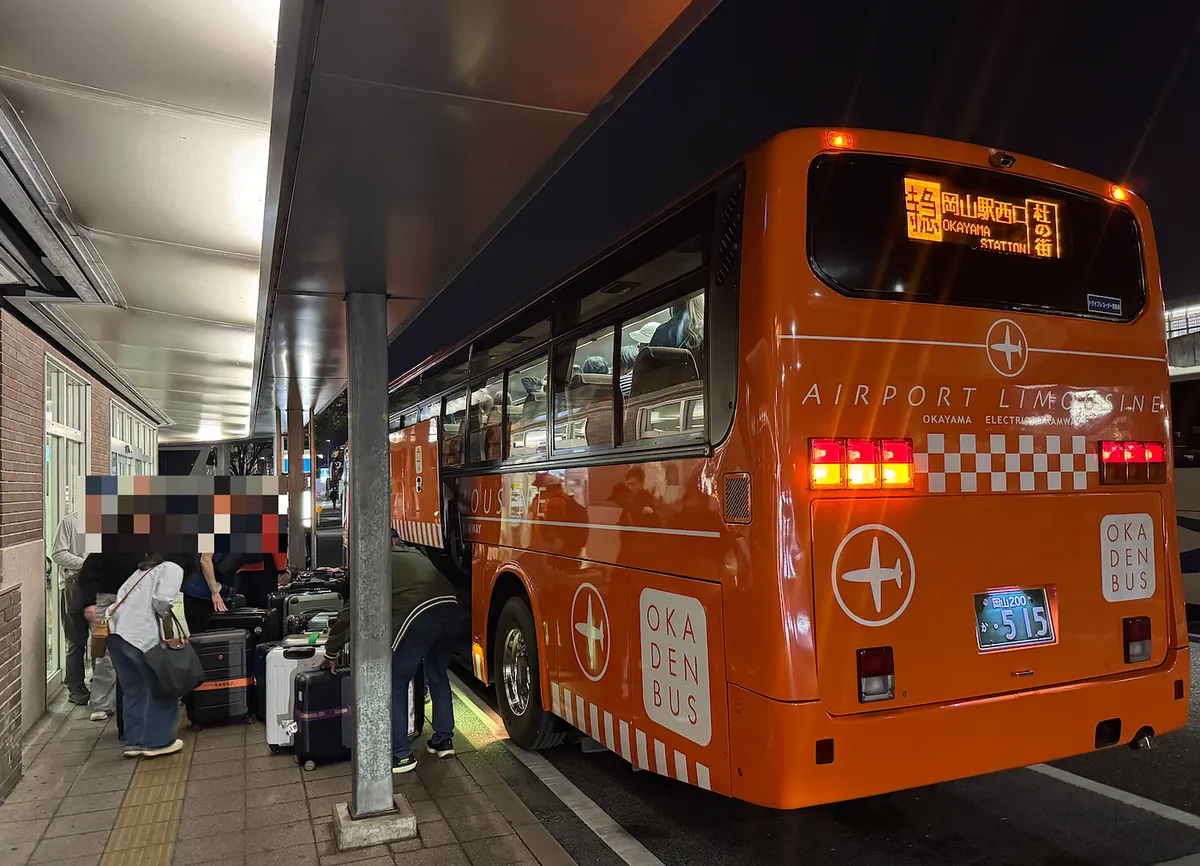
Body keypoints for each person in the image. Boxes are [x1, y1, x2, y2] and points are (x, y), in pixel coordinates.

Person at [320, 542, 461, 774]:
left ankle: (401, 755)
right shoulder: (413, 554)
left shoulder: (374, 563)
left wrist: (331, 651)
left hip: (419, 615)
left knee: (395, 682)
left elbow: (351, 611)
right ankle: (443, 741)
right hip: (451, 610)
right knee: (437, 675)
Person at [86, 553, 186, 759]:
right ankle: (157, 742)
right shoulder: (172, 568)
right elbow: (162, 602)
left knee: (133, 690)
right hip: (140, 637)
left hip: (116, 635)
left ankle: (134, 742)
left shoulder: (142, 570)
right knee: (161, 687)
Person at [77, 551, 142, 722]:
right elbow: (87, 574)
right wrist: (88, 603)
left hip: (133, 600)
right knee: (103, 653)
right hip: (106, 600)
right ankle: (102, 703)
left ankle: (132, 700)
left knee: (133, 651)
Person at [51, 511, 90, 706]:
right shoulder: (70, 522)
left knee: (102, 638)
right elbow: (58, 553)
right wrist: (86, 564)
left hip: (98, 584)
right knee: (76, 639)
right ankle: (75, 687)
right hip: (74, 586)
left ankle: (100, 683)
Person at [180, 553, 226, 633]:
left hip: (204, 590)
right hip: (201, 592)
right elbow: (205, 560)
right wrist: (214, 592)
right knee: (200, 632)